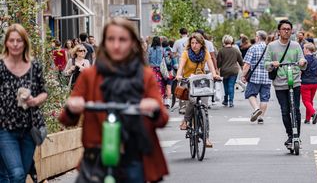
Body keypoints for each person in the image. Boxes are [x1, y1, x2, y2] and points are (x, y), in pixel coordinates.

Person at [58, 17, 169, 182]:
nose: (116, 45)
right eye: (111, 39)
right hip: (97, 155)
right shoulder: (90, 75)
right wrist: (72, 108)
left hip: (133, 152)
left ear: (131, 43)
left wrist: (153, 109)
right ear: (105, 43)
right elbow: (66, 119)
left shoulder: (145, 75)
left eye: (122, 39)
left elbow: (162, 118)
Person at [0, 24, 48, 182]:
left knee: (20, 174)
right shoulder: (0, 66)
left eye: (19, 40)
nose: (15, 44)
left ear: (25, 43)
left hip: (29, 129)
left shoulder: (34, 66)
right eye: (11, 40)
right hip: (5, 129)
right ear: (6, 43)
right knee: (17, 173)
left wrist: (34, 101)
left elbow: (44, 92)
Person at [265, 20, 307, 147]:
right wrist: (273, 64)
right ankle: (290, 135)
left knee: (296, 109)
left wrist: (302, 62)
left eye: (289, 29)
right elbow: (266, 64)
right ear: (279, 31)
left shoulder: (296, 45)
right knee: (285, 110)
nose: (286, 31)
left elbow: (302, 59)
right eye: (284, 29)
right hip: (280, 83)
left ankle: (297, 136)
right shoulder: (272, 46)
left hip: (294, 82)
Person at [176, 32, 220, 147]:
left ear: (201, 44)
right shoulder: (186, 53)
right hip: (188, 81)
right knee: (192, 100)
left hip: (201, 82)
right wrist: (178, 75)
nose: (194, 45)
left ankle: (206, 138)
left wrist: (214, 75)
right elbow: (180, 67)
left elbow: (211, 66)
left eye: (197, 43)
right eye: (192, 43)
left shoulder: (205, 53)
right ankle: (185, 121)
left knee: (204, 108)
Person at [241, 30, 272, 124]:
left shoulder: (253, 48)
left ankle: (256, 109)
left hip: (255, 77)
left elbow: (247, 64)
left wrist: (243, 75)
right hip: (267, 78)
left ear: (258, 37)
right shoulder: (269, 48)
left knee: (250, 94)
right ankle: (261, 117)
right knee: (264, 98)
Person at [217, 35, 244, 107]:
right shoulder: (236, 50)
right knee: (231, 85)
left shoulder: (221, 51)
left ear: (224, 42)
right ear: (231, 41)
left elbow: (218, 63)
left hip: (224, 71)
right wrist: (243, 70)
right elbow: (241, 62)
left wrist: (217, 70)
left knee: (225, 86)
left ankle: (225, 100)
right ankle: (231, 101)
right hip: (234, 71)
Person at [301, 43, 317, 124]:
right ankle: (307, 119)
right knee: (310, 101)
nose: (303, 50)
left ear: (307, 49)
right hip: (315, 83)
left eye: (304, 48)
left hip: (305, 83)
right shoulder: (316, 60)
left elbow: (300, 71)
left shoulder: (304, 59)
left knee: (305, 101)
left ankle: (313, 113)